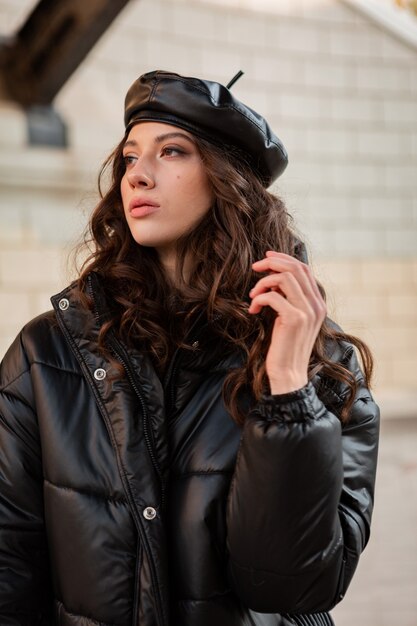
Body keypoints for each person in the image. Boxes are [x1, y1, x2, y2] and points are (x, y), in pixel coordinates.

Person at [0, 70, 379, 626]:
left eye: (171, 151)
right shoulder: (46, 354)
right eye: (130, 157)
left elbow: (293, 586)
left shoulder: (325, 369)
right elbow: (9, 572)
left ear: (229, 182)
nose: (138, 176)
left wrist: (288, 395)